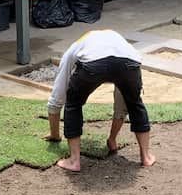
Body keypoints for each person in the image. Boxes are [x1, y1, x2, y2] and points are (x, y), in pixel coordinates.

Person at [46, 29, 155, 172]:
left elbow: (58, 94)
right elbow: (123, 99)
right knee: (135, 103)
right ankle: (146, 157)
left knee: (73, 103)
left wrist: (55, 135)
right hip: (129, 64)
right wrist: (112, 139)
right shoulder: (119, 42)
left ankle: (74, 161)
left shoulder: (75, 47)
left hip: (94, 65)